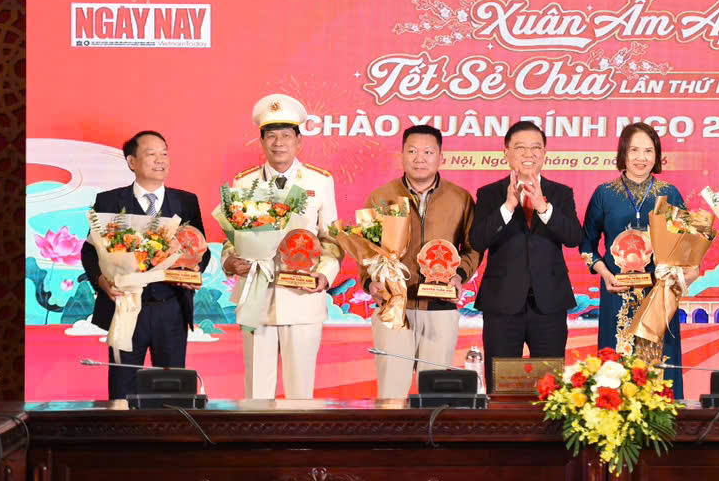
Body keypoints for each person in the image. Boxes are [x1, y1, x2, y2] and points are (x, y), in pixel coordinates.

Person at [221, 94, 341, 399]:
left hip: (302, 297)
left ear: (299, 141)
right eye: (271, 136)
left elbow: (332, 239)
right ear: (261, 141)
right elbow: (232, 237)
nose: (278, 143)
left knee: (301, 394)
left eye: (286, 135)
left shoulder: (320, 181)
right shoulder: (243, 182)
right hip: (256, 298)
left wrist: (325, 274)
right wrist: (229, 261)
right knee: (256, 393)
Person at [81, 130, 210, 400]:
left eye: (165, 153)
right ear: (132, 162)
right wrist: (102, 281)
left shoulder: (187, 201)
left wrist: (194, 272)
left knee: (173, 392)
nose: (160, 160)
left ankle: (172, 430)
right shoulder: (109, 201)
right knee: (122, 389)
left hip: (171, 307)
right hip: (125, 306)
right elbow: (90, 251)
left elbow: (201, 249)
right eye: (151, 154)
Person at [364, 125, 480, 399]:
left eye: (428, 152)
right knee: (391, 395)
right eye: (412, 151)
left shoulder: (460, 198)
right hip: (394, 309)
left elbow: (473, 248)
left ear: (441, 157)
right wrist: (370, 282)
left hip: (440, 308)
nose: (420, 158)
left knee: (436, 396)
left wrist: (459, 275)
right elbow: (367, 249)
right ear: (401, 155)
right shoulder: (381, 197)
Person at [469, 121, 582, 390]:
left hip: (549, 305)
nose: (528, 154)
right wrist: (508, 206)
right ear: (506, 153)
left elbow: (574, 238)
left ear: (544, 154)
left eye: (535, 147)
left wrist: (543, 206)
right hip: (502, 305)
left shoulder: (560, 193)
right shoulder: (489, 194)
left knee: (551, 389)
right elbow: (478, 240)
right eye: (520, 147)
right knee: (501, 387)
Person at [580, 123, 690, 396]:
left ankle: (661, 419)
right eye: (634, 150)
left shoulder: (670, 193)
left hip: (659, 294)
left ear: (657, 155)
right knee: (616, 369)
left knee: (658, 374)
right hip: (616, 293)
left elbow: (686, 244)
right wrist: (605, 275)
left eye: (648, 151)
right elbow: (586, 245)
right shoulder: (604, 193)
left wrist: (682, 271)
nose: (641, 158)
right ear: (623, 153)